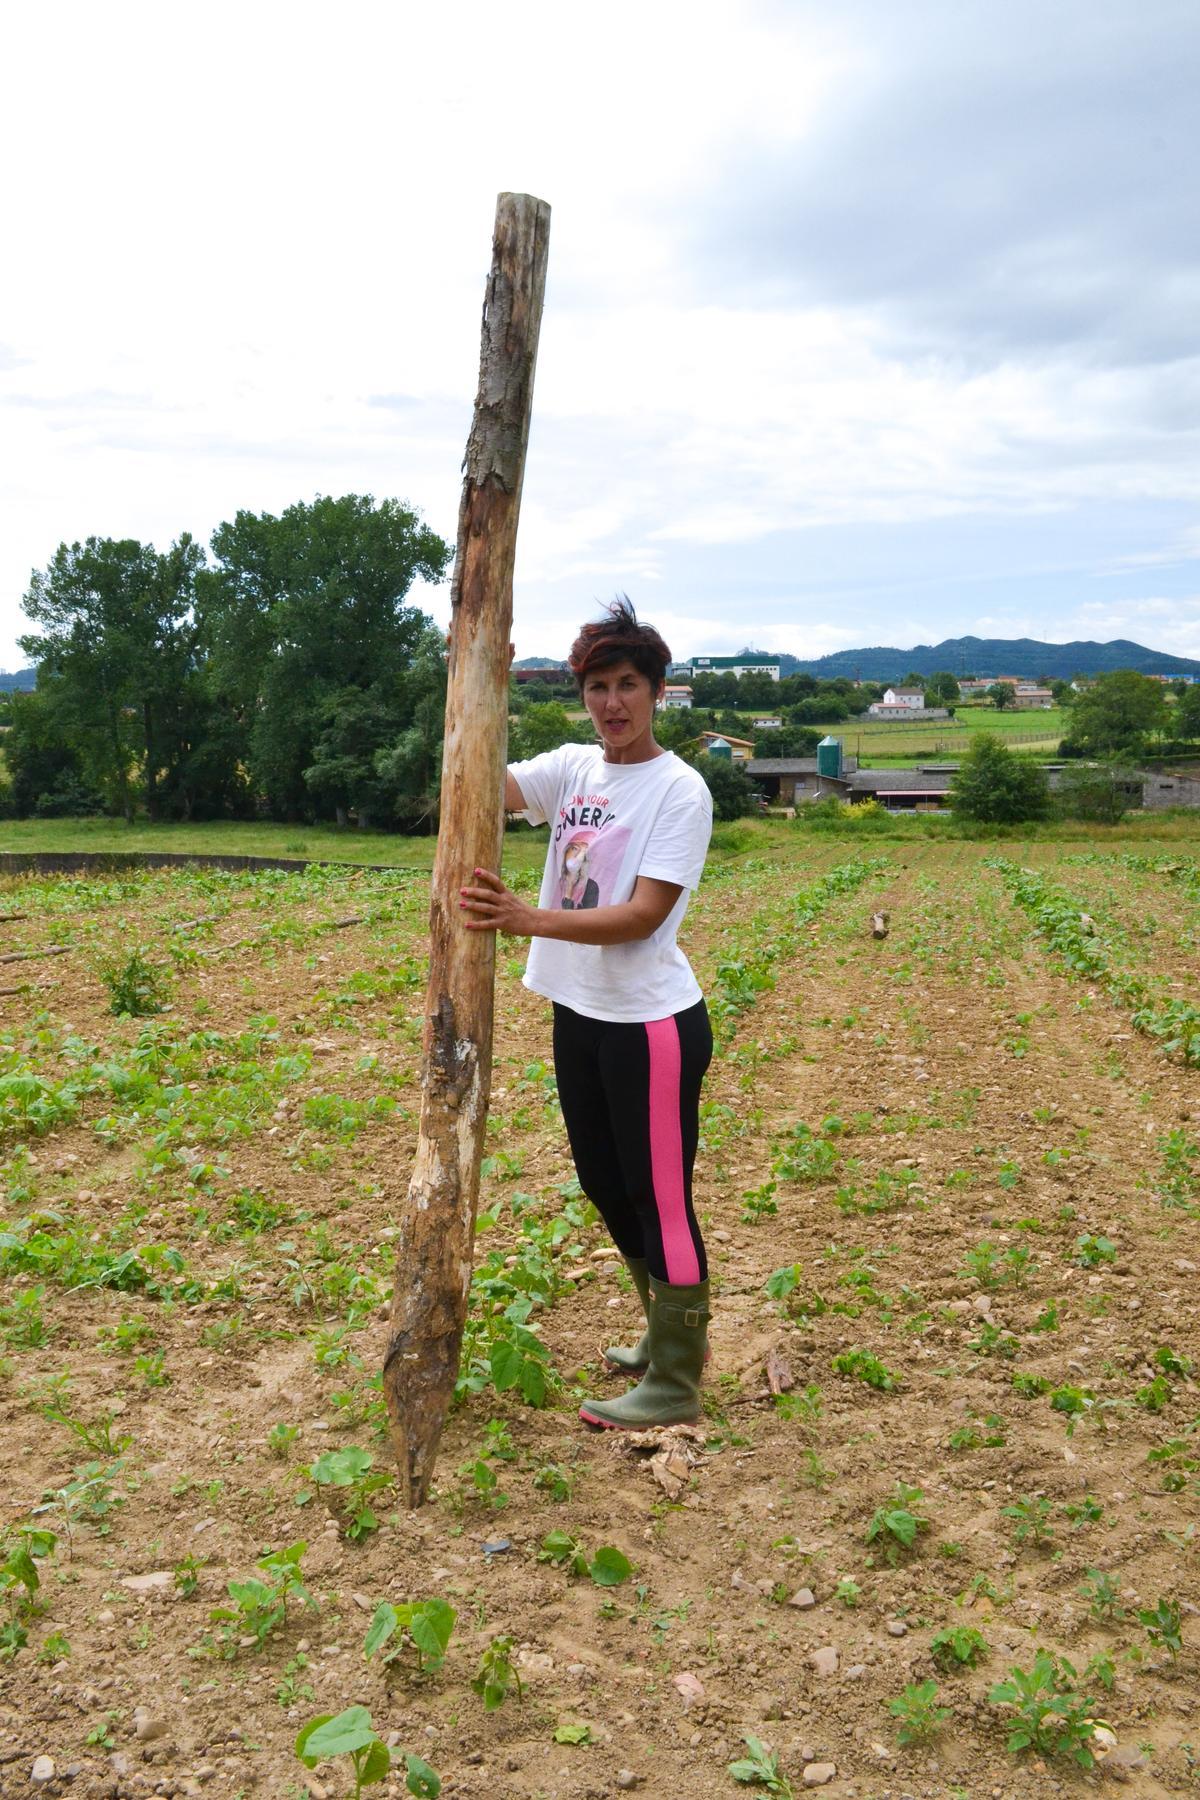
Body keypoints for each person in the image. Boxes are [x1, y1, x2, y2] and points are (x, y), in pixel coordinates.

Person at [459, 597, 714, 1429]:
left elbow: (643, 914)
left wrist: (527, 919)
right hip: (582, 1012)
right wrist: (479, 686)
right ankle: (660, 1332)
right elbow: (477, 784)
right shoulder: (575, 769)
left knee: (659, 1196)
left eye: (628, 684)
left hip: (652, 1025)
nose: (612, 703)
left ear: (658, 692)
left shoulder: (680, 791)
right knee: (605, 1185)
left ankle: (676, 1381)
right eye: (597, 686)